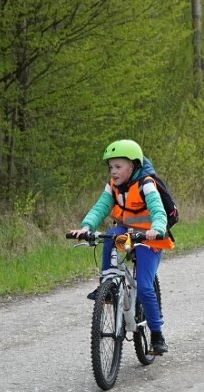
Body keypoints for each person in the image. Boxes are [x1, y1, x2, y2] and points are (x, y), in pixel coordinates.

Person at [67, 139, 173, 354]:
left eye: (118, 167)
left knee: (144, 287)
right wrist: (86, 227)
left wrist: (157, 227)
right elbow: (101, 207)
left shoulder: (146, 184)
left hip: (149, 238)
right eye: (110, 167)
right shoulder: (113, 185)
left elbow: (158, 210)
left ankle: (157, 334)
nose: (113, 171)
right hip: (125, 232)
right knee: (109, 236)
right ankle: (107, 283)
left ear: (132, 166)